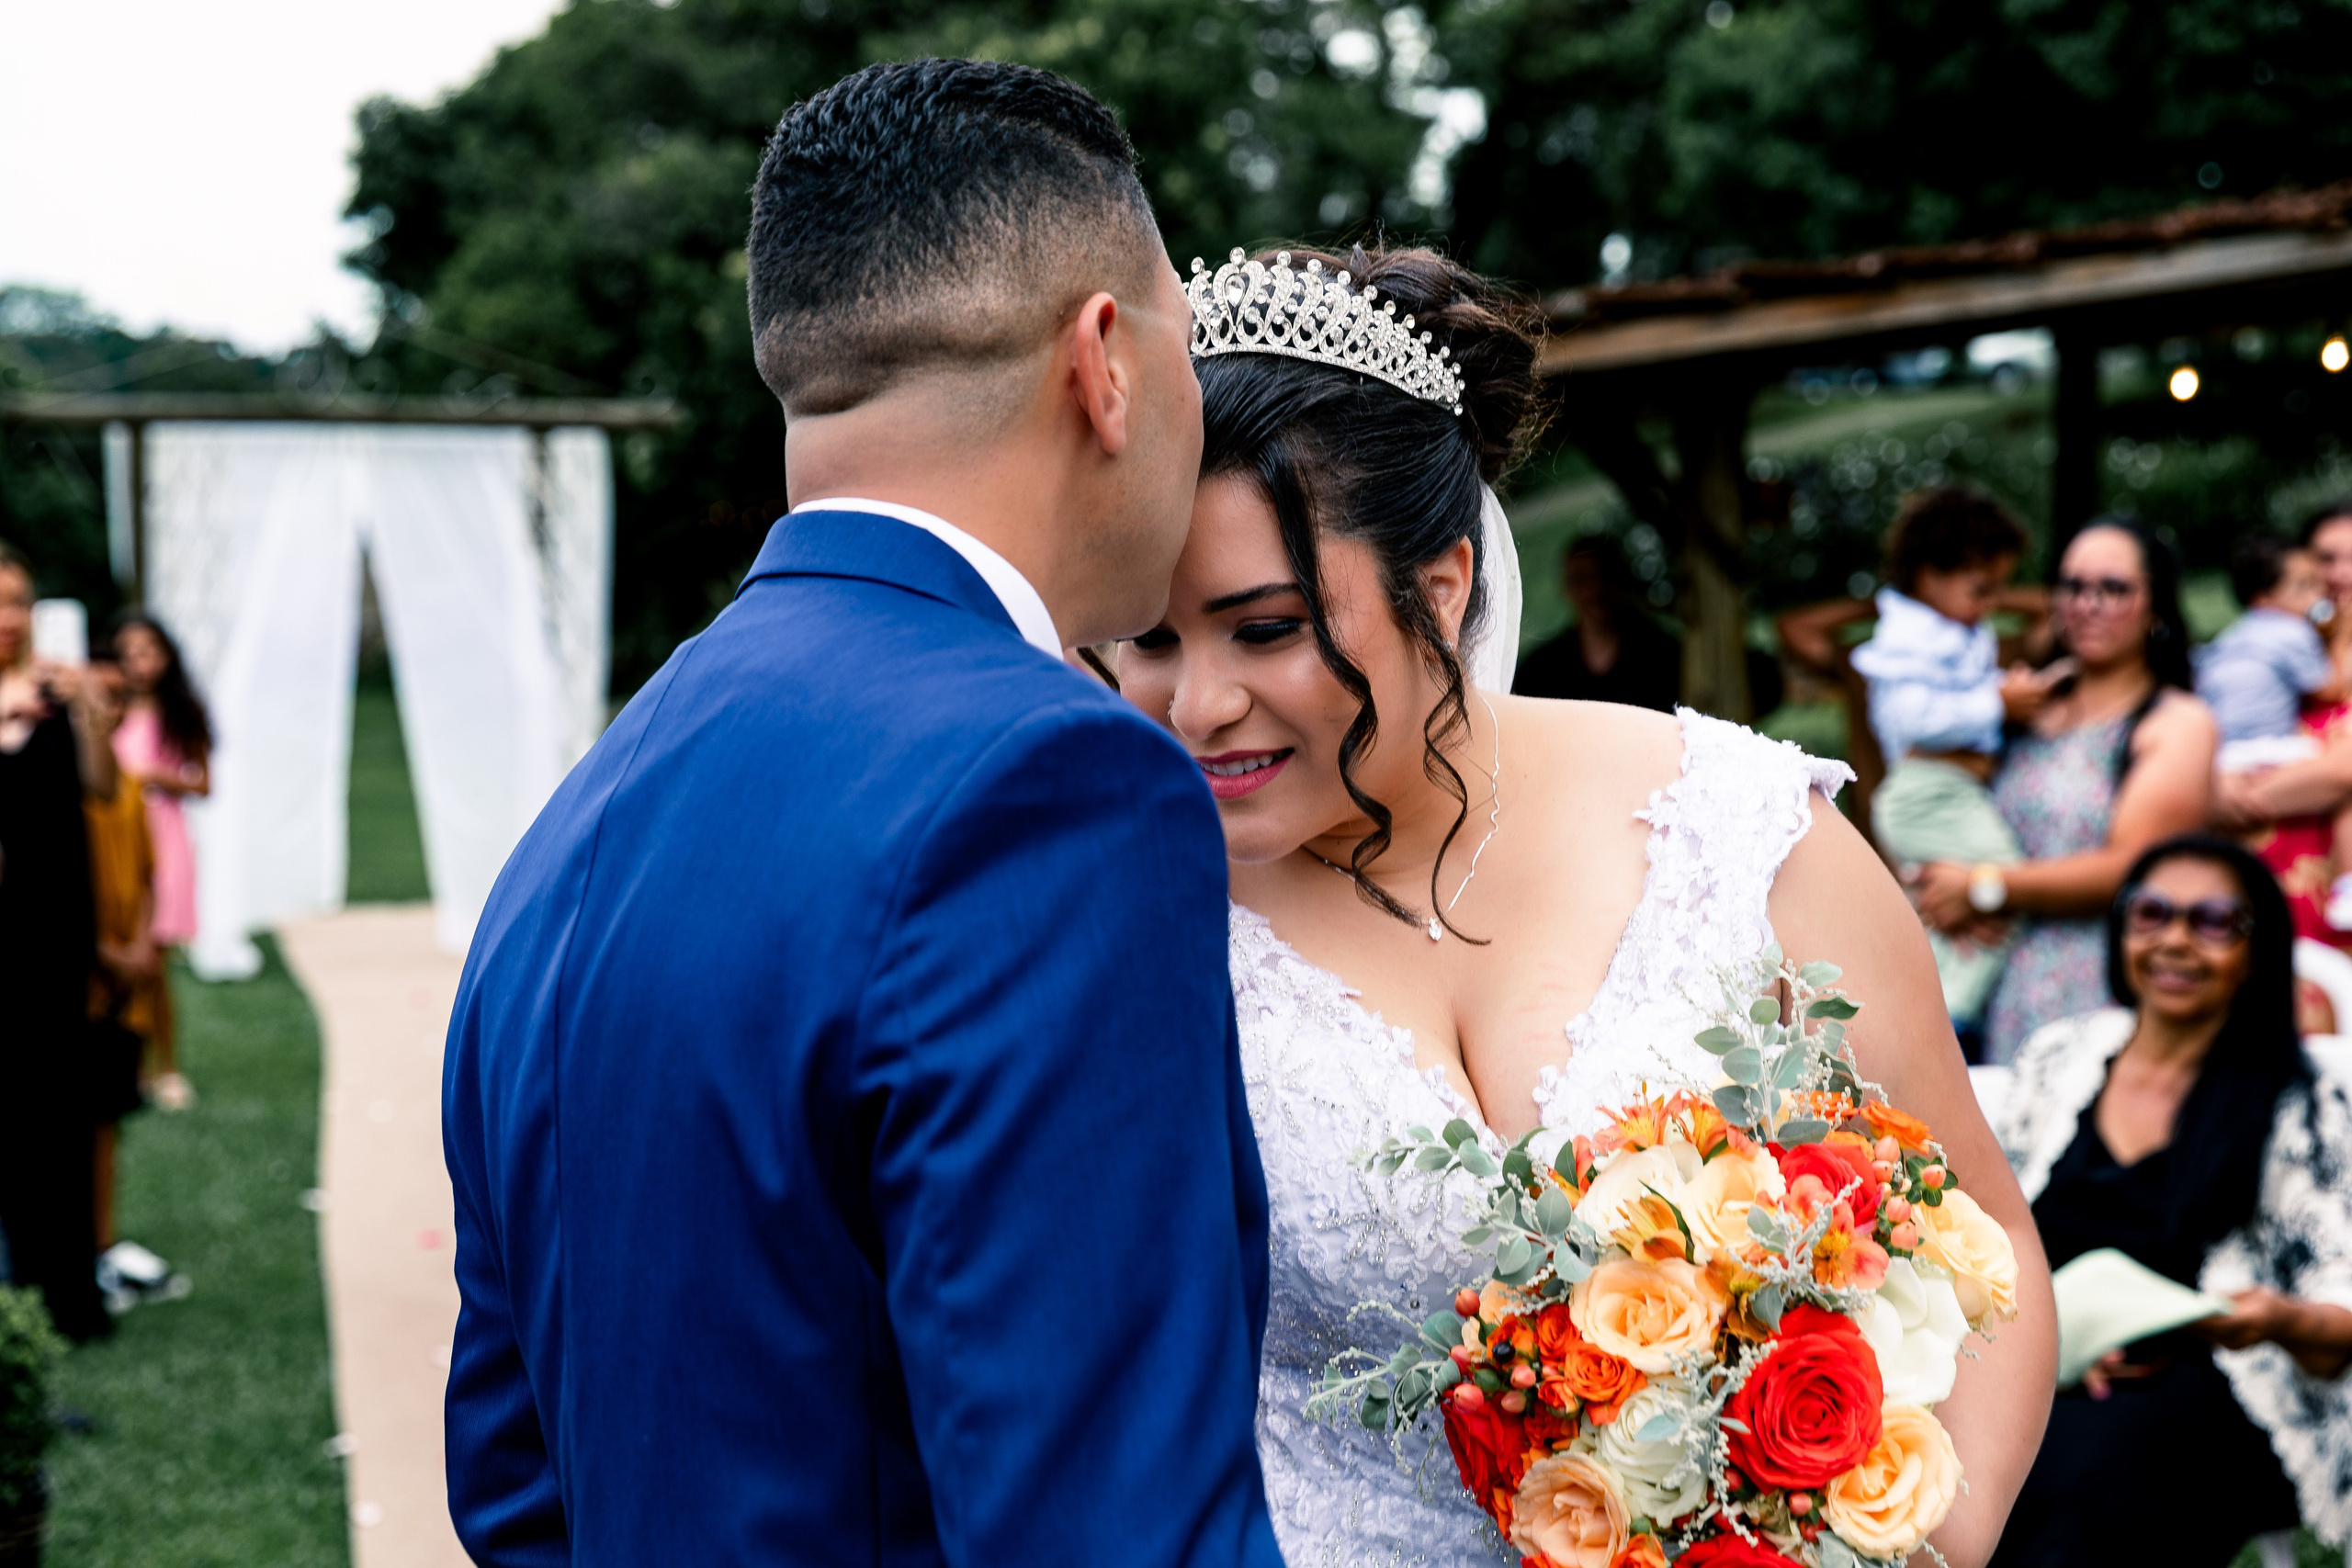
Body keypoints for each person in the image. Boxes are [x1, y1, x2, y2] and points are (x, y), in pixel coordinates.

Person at [440, 62, 1283, 1566]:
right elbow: (1111, 1527)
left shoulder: (595, 799)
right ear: (1107, 362)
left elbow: (516, 1485)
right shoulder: (1055, 792)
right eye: (1187, 344)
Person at [1118, 243, 2056, 1567]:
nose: (1197, 703)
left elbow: (1986, 1236)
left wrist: (1929, 1534)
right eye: (1150, 639)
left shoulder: (1734, 826)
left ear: (1440, 585)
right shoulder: (1130, 913)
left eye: (1263, 628)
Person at [1989, 835, 2352, 1565]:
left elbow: (2339, 1311)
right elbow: (1981, 1230)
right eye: (2151, 914)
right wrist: (2050, 1351)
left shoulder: (2303, 1097)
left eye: (2213, 920)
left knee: (2083, 1474)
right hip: (2045, 1364)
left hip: (2224, 1386)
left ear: (2258, 945)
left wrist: (2273, 1317)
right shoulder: (2062, 1054)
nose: (2177, 940)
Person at [1913, 519, 2217, 1063]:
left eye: (2113, 588)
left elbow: (2136, 866)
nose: (2087, 604)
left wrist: (1985, 887)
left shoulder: (2175, 722)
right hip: (1980, 975)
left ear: (2157, 607)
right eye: (2073, 586)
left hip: (2095, 984)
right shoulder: (2026, 709)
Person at [1851, 486, 2065, 1030]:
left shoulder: (1952, 629)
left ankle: (1926, 1017)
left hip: (1946, 793)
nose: (1992, 604)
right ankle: (1948, 1021)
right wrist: (1995, 701)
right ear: (1929, 574)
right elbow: (1910, 717)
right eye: (1981, 589)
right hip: (1928, 795)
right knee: (2003, 886)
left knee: (1953, 914)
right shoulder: (1909, 637)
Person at [0, 542, 115, 1341]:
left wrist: (88, 711)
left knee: (62, 1114)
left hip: (54, 935)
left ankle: (70, 1291)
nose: (10, 616)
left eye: (20, 599)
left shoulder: (58, 686)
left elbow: (103, 785)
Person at [110, 612, 208, 1111]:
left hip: (164, 844)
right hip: (118, 847)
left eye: (146, 652)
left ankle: (165, 1066)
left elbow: (203, 782)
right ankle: (128, 1066)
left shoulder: (181, 713)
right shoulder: (108, 708)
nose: (136, 664)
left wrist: (155, 777)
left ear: (166, 657)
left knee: (155, 966)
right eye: (126, 654)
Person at [77, 657, 158, 1263]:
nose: (108, 709)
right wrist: (105, 950)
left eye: (116, 697)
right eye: (95, 697)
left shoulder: (126, 781)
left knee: (108, 1121)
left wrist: (142, 944)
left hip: (128, 972)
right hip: (89, 971)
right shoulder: (68, 786)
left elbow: (148, 873)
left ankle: (102, 1237)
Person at [2197, 533, 2335, 774]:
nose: (2319, 595)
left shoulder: (2234, 634)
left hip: (2220, 752)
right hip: (2267, 749)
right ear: (2262, 598)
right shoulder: (2293, 631)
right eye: (2304, 586)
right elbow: (2329, 690)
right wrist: (2342, 634)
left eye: (2317, 583)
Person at [1511, 534, 1679, 709]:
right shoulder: (1538, 670)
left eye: (1605, 574)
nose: (1595, 589)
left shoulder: (1665, 655)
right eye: (1581, 579)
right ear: (1566, 589)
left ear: (1622, 579)